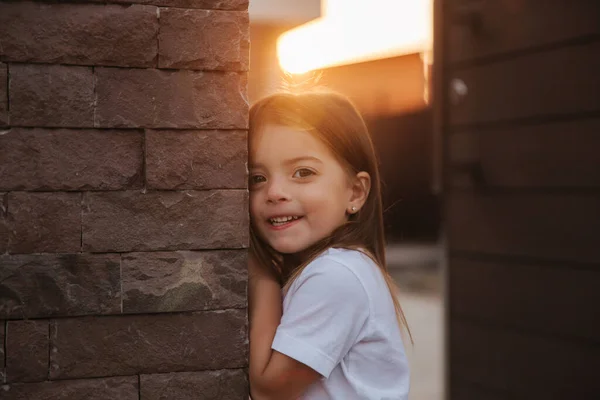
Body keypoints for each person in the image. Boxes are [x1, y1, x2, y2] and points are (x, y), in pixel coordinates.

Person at [248, 89, 411, 400]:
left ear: (354, 192)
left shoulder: (335, 275)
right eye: (257, 178)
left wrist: (261, 278)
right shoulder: (331, 269)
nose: (275, 192)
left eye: (303, 172)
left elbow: (269, 390)